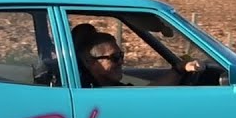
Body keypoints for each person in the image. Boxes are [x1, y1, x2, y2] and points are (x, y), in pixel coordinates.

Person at [75, 31, 204, 88]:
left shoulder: (110, 86)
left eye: (121, 56)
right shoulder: (87, 89)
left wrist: (179, 69)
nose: (121, 62)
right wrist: (179, 70)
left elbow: (148, 94)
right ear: (89, 61)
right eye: (114, 58)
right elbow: (150, 97)